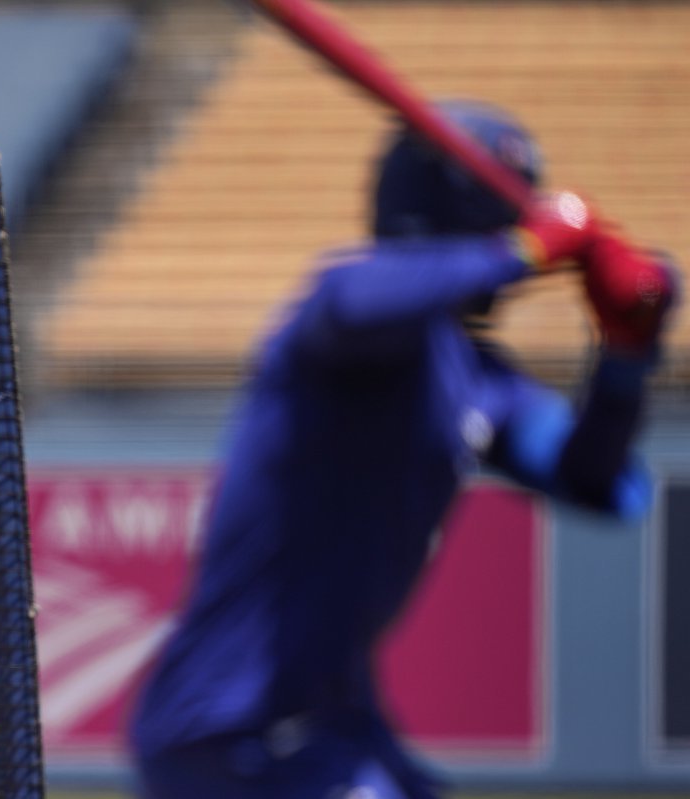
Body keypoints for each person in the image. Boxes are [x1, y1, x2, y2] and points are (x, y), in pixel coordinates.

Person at [128, 100, 677, 799]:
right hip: (226, 728)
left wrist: (626, 355)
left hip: (331, 722)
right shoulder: (346, 317)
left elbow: (600, 480)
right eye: (508, 207)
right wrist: (523, 249)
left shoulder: (477, 377)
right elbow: (357, 300)